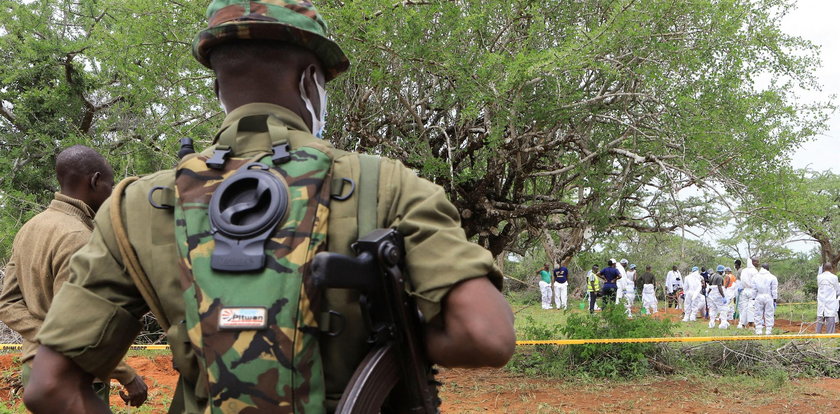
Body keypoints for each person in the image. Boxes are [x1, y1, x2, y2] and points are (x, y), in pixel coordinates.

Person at [22, 2, 516, 412]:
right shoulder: (387, 184)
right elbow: (486, 336)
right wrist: (385, 345)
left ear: (218, 85)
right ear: (310, 82)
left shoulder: (133, 205)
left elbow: (48, 387)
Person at [0, 145, 147, 408]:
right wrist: (127, 374)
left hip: (36, 372)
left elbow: (7, 304)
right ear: (94, 181)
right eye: (110, 186)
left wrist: (43, 337)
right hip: (71, 378)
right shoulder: (80, 239)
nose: (112, 194)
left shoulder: (30, 227)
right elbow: (77, 330)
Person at [752, 263, 778, 335]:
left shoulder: (755, 277)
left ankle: (758, 330)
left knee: (758, 313)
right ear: (768, 269)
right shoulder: (772, 277)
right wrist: (774, 299)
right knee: (769, 313)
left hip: (758, 296)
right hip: (768, 297)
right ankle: (768, 331)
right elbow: (774, 289)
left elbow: (754, 289)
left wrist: (753, 298)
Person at [737, 257, 760, 329]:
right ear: (752, 262)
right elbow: (757, 282)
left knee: (744, 308)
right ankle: (751, 325)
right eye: (756, 262)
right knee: (751, 308)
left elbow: (741, 281)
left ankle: (742, 324)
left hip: (744, 291)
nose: (758, 263)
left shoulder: (744, 270)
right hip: (752, 291)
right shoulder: (754, 271)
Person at [816, 263, 839, 334]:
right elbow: (837, 290)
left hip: (821, 300)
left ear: (823, 269)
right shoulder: (834, 277)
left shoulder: (819, 277)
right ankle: (830, 335)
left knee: (820, 318)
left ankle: (817, 334)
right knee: (830, 318)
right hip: (830, 300)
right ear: (831, 269)